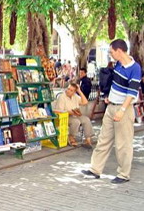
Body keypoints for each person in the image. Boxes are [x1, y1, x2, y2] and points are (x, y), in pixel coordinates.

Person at [82, 39, 142, 184]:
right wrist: (108, 97)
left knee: (123, 143)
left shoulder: (135, 68)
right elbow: (114, 84)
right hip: (111, 107)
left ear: (119, 51)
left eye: (111, 52)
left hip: (123, 108)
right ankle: (95, 169)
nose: (110, 54)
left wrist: (122, 109)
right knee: (104, 139)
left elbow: (132, 92)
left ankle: (123, 174)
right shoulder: (118, 64)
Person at [55, 82, 94, 148]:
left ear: (74, 92)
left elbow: (85, 102)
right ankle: (71, 137)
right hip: (66, 116)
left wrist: (79, 91)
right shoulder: (62, 97)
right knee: (76, 122)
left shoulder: (75, 96)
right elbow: (59, 111)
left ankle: (88, 139)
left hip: (75, 115)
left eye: (71, 90)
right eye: (68, 89)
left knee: (86, 119)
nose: (68, 91)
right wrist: (70, 112)